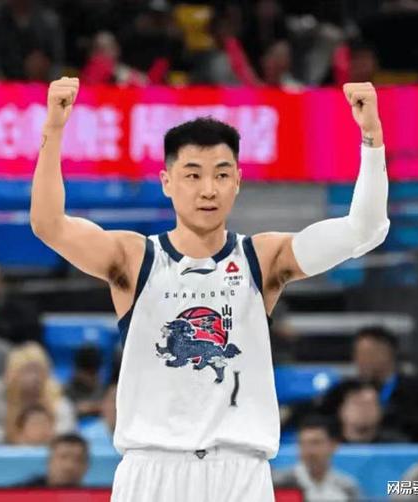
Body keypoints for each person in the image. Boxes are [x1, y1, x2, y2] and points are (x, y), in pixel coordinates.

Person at [31, 77, 389, 502]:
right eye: (193, 174)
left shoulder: (262, 258)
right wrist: (53, 130)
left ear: (237, 181)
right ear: (166, 181)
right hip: (152, 470)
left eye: (221, 174)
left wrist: (372, 137)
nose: (208, 189)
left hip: (240, 472)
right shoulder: (134, 257)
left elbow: (363, 229)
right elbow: (48, 225)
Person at [319, 326, 418, 442]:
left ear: (388, 353)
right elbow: (323, 426)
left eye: (367, 353)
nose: (360, 360)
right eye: (357, 354)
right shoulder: (341, 392)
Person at [273, 416, 360, 502]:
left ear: (333, 445)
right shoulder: (278, 483)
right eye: (303, 443)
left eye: (315, 443)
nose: (309, 451)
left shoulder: (347, 487)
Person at [4, 342, 76, 443]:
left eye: (38, 371)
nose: (35, 377)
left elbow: (66, 442)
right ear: (14, 375)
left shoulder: (61, 406)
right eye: (27, 371)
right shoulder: (2, 405)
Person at [337, 381, 406, 444]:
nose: (364, 409)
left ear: (381, 411)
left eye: (370, 404)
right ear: (342, 410)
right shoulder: (332, 443)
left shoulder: (398, 445)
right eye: (357, 403)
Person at [19, 433, 89, 487]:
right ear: (49, 461)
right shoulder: (21, 492)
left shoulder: (92, 496)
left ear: (86, 466)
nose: (69, 466)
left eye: (78, 459)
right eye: (63, 457)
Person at [65, 345, 104, 418]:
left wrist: (92, 407)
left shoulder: (102, 388)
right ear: (78, 371)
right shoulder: (68, 389)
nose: (94, 377)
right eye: (90, 373)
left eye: (96, 372)